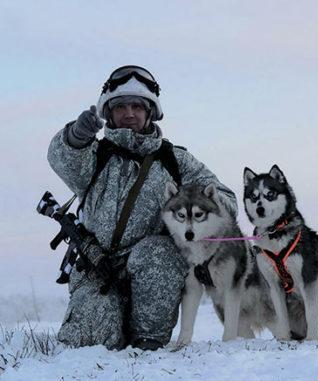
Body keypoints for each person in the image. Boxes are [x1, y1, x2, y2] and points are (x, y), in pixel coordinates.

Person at [47, 65, 237, 350]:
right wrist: (76, 136)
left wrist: (198, 211)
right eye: (121, 106)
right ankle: (113, 322)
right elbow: (63, 158)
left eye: (138, 105)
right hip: (96, 267)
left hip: (151, 265)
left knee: (159, 251)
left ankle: (148, 340)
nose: (129, 113)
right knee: (86, 343)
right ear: (108, 112)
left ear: (150, 112)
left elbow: (226, 201)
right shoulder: (95, 155)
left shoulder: (175, 161)